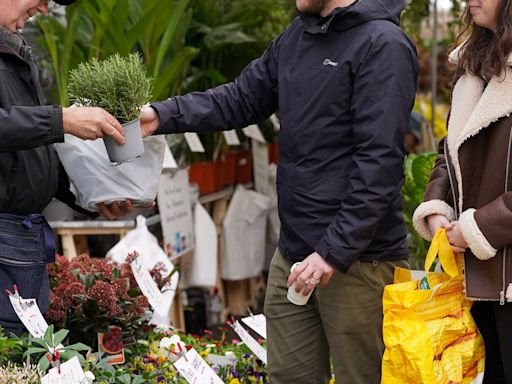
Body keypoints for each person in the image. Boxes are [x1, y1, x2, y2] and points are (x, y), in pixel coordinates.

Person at [141, 0, 418, 382]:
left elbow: (379, 164)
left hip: (358, 262)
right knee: (288, 376)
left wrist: (332, 253)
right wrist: (160, 115)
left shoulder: (382, 43)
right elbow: (239, 99)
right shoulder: (297, 36)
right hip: (293, 253)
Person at [0, 0, 132, 335]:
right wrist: (61, 120)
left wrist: (91, 194)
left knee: (25, 353)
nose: (44, 8)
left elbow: (29, 154)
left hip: (23, 239)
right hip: (5, 237)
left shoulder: (14, 46)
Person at [413, 1, 512, 382]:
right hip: (478, 278)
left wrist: (474, 230)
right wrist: (438, 208)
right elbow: (453, 148)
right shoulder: (475, 64)